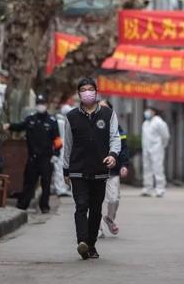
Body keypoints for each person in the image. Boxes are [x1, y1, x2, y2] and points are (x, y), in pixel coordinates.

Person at [63, 77, 121, 260]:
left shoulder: (108, 114)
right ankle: (82, 242)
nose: (87, 92)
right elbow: (68, 145)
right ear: (79, 93)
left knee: (96, 209)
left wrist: (113, 155)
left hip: (99, 169)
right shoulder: (71, 117)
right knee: (81, 206)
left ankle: (92, 244)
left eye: (90, 89)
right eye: (83, 89)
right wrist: (66, 170)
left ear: (96, 91)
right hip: (78, 169)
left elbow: (115, 137)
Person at [4, 94, 60, 214]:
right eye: (39, 104)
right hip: (33, 158)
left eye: (42, 104)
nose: (41, 106)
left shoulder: (52, 122)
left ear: (46, 105)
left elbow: (57, 140)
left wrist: (56, 154)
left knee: (46, 184)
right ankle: (22, 205)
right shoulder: (31, 119)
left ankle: (44, 206)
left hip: (46, 158)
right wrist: (9, 126)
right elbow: (20, 126)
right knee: (29, 183)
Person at [98, 100, 130, 237]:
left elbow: (123, 149)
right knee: (95, 202)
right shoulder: (91, 125)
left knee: (114, 199)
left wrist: (124, 165)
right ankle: (97, 229)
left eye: (105, 108)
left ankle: (109, 219)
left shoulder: (117, 127)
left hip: (113, 170)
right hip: (96, 170)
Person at [141, 107, 170, 197]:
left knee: (158, 168)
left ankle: (160, 189)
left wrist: (162, 145)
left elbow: (165, 136)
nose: (146, 113)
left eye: (149, 111)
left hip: (157, 148)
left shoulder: (159, 122)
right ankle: (147, 188)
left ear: (154, 112)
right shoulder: (145, 123)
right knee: (147, 168)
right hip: (146, 148)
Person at [51, 104, 73, 197]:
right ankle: (59, 188)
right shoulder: (61, 122)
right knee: (59, 169)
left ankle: (60, 187)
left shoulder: (64, 121)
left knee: (61, 169)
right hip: (60, 147)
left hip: (64, 147)